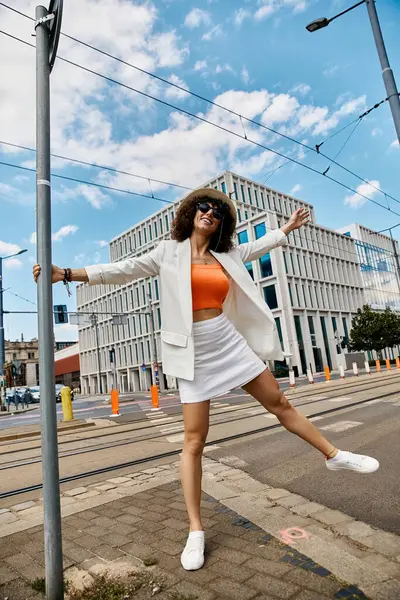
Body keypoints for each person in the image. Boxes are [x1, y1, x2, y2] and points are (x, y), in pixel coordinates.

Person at [33, 187, 379, 572]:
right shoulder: (168, 253)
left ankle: (334, 456)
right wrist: (65, 273)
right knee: (194, 440)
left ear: (221, 223)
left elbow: (260, 245)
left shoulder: (227, 254)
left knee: (280, 403)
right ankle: (195, 529)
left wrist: (288, 228)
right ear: (189, 213)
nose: (209, 212)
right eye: (203, 206)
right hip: (191, 351)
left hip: (227, 341)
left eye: (217, 210)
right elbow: (122, 271)